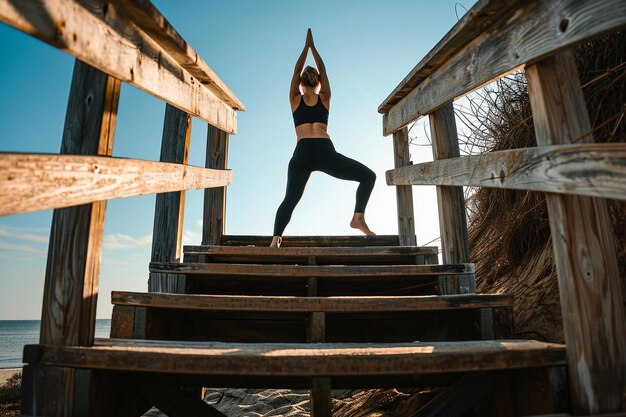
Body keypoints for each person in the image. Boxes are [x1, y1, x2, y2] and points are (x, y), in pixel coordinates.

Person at [270, 29, 376, 247]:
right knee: (368, 177)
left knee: (290, 200)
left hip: (302, 153)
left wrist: (305, 47)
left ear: (301, 84)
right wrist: (313, 48)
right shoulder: (325, 98)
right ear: (318, 83)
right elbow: (324, 70)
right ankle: (358, 217)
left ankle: (275, 240)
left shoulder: (294, 99)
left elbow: (297, 68)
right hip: (325, 151)